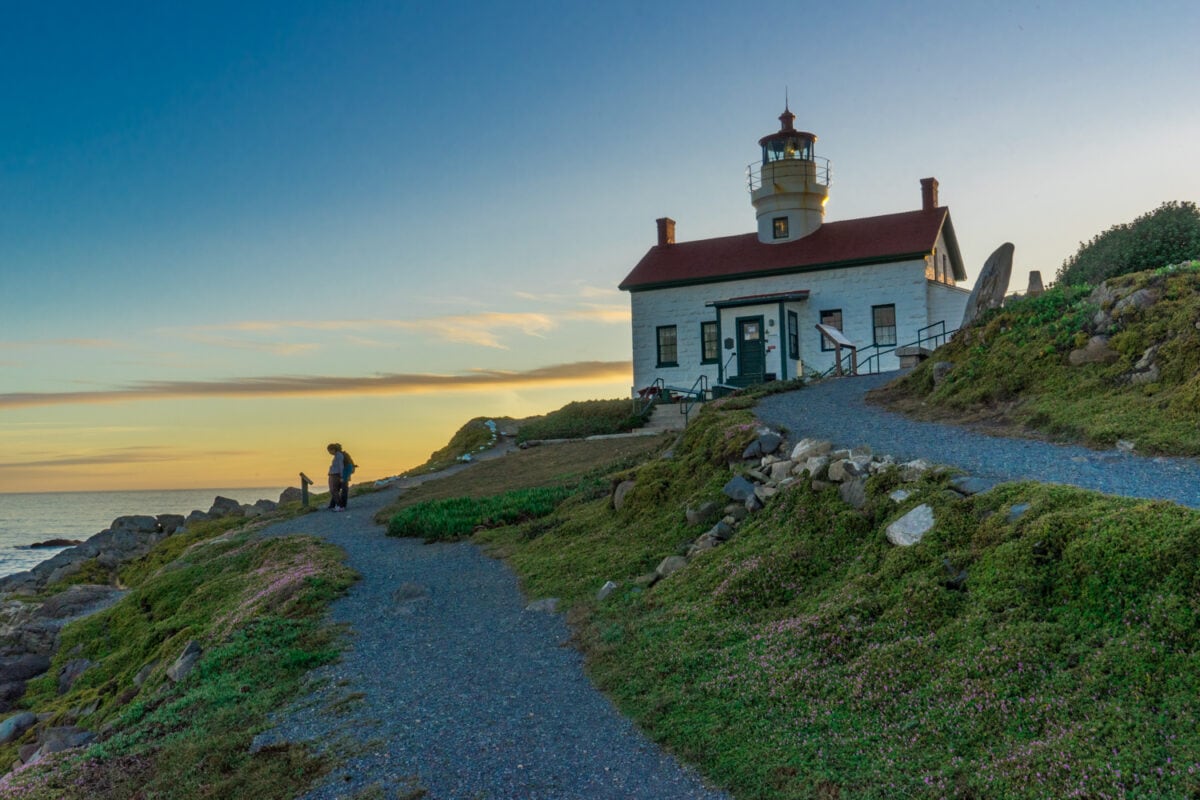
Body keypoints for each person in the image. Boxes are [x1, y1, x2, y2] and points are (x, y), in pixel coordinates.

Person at [326, 443, 347, 511]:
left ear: (333, 449)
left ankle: (340, 506)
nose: (329, 452)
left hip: (335, 475)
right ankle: (338, 505)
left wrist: (341, 476)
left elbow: (341, 466)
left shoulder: (339, 456)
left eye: (329, 451)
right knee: (334, 490)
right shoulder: (337, 455)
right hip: (334, 474)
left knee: (333, 490)